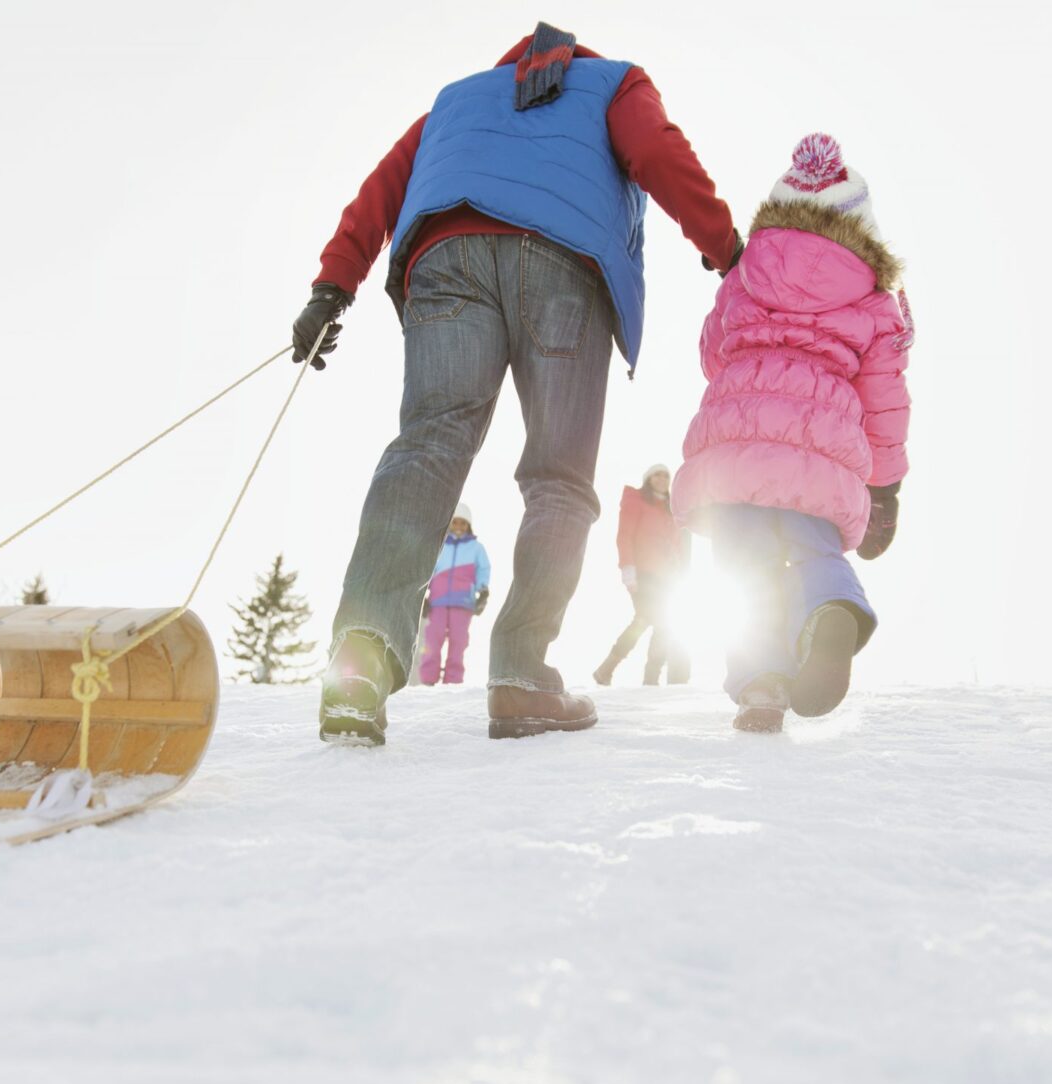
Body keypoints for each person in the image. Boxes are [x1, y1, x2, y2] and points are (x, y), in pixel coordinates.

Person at [292, 22, 739, 745]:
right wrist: (726, 250)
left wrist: (331, 286)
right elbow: (656, 152)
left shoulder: (458, 101)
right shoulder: (614, 82)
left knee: (429, 444)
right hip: (563, 263)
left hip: (447, 256)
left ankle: (361, 654)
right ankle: (522, 677)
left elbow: (381, 191)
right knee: (559, 477)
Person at [673, 133, 913, 732]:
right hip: (820, 455)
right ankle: (831, 609)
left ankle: (761, 687)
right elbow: (885, 402)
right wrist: (886, 488)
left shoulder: (745, 272)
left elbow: (711, 353)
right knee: (813, 552)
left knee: (745, 568)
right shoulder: (879, 302)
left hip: (734, 449)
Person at [594, 464, 690, 685]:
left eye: (666, 475)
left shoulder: (670, 509)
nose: (663, 478)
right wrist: (628, 569)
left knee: (663, 623)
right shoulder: (636, 502)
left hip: (667, 577)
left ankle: (647, 677)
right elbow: (624, 535)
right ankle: (608, 668)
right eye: (657, 474)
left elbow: (677, 545)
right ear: (648, 478)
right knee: (646, 617)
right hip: (643, 572)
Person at [419, 504, 491, 685]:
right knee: (432, 641)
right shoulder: (439, 546)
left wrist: (483, 591)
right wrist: (422, 596)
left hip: (463, 602)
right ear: (449, 524)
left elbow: (483, 568)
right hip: (438, 601)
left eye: (463, 523)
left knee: (458, 643)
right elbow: (428, 569)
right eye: (455, 522)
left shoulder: (476, 548)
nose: (459, 527)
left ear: (469, 526)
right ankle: (428, 680)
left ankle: (452, 681)